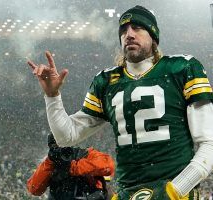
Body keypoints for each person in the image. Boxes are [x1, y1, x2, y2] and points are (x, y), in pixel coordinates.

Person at [28, 5, 213, 199]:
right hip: (127, 193)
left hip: (174, 190)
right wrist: (52, 97)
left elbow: (209, 143)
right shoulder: (106, 81)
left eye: (137, 28)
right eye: (124, 30)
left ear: (154, 36)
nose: (129, 34)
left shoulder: (182, 68)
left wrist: (176, 189)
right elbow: (66, 136)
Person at [27, 134, 115, 200]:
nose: (59, 149)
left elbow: (108, 166)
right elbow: (34, 189)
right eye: (54, 146)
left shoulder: (84, 154)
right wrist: (50, 162)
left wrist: (73, 167)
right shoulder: (50, 163)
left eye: (61, 145)